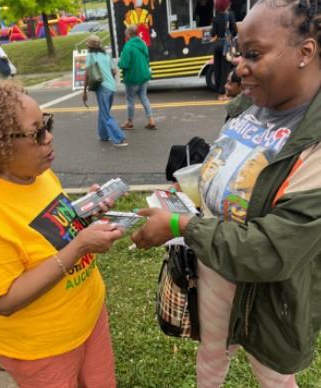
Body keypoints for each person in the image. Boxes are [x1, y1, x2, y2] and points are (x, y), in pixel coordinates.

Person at [132, 0, 321, 387]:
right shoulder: (248, 107)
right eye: (238, 52)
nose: (238, 65)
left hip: (270, 293)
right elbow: (228, 171)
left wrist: (177, 225)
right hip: (213, 265)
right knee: (211, 354)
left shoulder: (314, 142)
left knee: (273, 376)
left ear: (305, 53)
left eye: (253, 54)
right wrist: (189, 194)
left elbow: (271, 250)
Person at [0, 79, 124, 387]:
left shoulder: (36, 174)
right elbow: (2, 300)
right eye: (37, 132)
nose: (49, 137)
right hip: (40, 346)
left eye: (47, 124)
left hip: (87, 315)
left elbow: (52, 227)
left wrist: (83, 215)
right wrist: (79, 247)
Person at [83, 35, 128, 147]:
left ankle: (119, 138)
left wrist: (84, 91)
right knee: (104, 111)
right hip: (111, 86)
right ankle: (103, 135)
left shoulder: (90, 56)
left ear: (89, 46)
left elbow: (88, 74)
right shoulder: (106, 55)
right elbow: (114, 71)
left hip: (102, 87)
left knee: (106, 115)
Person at [118, 24, 156, 130]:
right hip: (144, 75)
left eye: (126, 33)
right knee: (144, 97)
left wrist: (120, 63)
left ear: (129, 34)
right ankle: (151, 120)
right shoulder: (143, 43)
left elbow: (124, 64)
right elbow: (147, 59)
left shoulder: (128, 46)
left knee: (130, 99)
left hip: (132, 77)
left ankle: (129, 122)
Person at [211, 0, 237, 99]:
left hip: (217, 45)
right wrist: (230, 37)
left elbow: (213, 33)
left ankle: (218, 90)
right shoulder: (230, 15)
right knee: (225, 70)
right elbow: (234, 30)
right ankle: (223, 93)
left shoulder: (215, 17)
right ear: (226, 5)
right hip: (225, 45)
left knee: (217, 68)